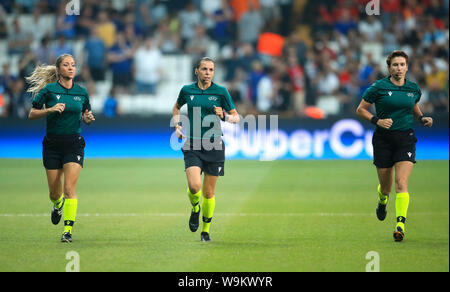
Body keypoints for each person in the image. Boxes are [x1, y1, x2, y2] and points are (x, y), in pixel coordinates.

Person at [356, 50, 433, 242]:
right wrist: (377, 120)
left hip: (405, 138)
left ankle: (400, 225)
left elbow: (412, 105)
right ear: (389, 68)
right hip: (383, 139)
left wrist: (422, 117)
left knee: (401, 183)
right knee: (386, 186)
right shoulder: (378, 87)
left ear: (407, 67)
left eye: (402, 65)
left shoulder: (414, 88)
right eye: (395, 65)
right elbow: (360, 109)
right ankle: (382, 201)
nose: (399, 68)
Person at [27, 54, 95, 243]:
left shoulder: (82, 92)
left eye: (73, 65)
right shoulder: (49, 90)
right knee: (55, 194)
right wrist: (49, 110)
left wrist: (88, 119)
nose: (71, 68)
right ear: (58, 70)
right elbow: (32, 113)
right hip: (52, 145)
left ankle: (67, 231)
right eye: (66, 65)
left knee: (69, 188)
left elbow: (86, 115)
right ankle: (57, 205)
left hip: (74, 144)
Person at [172, 57, 240, 242]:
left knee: (209, 193)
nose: (208, 73)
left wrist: (224, 116)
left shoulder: (221, 91)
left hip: (214, 145)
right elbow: (176, 108)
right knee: (194, 187)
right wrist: (177, 126)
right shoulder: (187, 90)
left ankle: (205, 231)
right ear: (197, 71)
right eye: (204, 69)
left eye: (211, 69)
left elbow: (236, 117)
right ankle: (195, 208)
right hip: (192, 143)